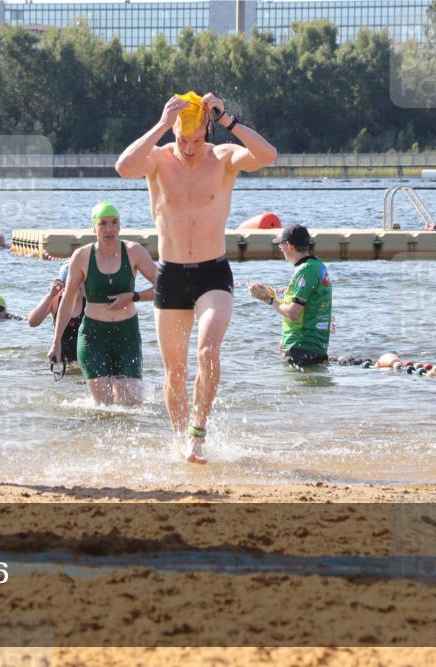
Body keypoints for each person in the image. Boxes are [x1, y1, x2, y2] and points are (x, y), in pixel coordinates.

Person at [115, 90, 277, 462]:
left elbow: (268, 155)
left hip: (212, 273)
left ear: (207, 129)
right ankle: (179, 439)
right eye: (181, 139)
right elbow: (123, 166)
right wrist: (161, 124)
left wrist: (228, 120)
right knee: (175, 371)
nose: (189, 148)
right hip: (170, 275)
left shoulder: (223, 157)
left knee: (207, 351)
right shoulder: (157, 159)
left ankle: (197, 434)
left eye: (196, 139)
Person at [48, 202, 156, 406]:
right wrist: (56, 342)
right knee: (104, 408)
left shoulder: (134, 252)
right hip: (94, 337)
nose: (109, 229)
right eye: (103, 223)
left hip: (127, 336)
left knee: (132, 405)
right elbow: (68, 300)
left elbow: (165, 288)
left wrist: (133, 296)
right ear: (94, 227)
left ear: (120, 225)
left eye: (114, 222)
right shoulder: (81, 256)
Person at [248, 224, 332, 367]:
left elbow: (293, 313)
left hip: (301, 347)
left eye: (281, 245)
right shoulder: (317, 265)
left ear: (289, 245)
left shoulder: (305, 270)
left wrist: (268, 299)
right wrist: (273, 294)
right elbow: (308, 302)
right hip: (315, 346)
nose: (280, 248)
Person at [28, 261, 85, 365]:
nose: (74, 288)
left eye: (78, 282)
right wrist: (50, 296)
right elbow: (32, 322)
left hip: (84, 358)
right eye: (70, 284)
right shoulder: (55, 300)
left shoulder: (90, 300)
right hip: (61, 359)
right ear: (63, 284)